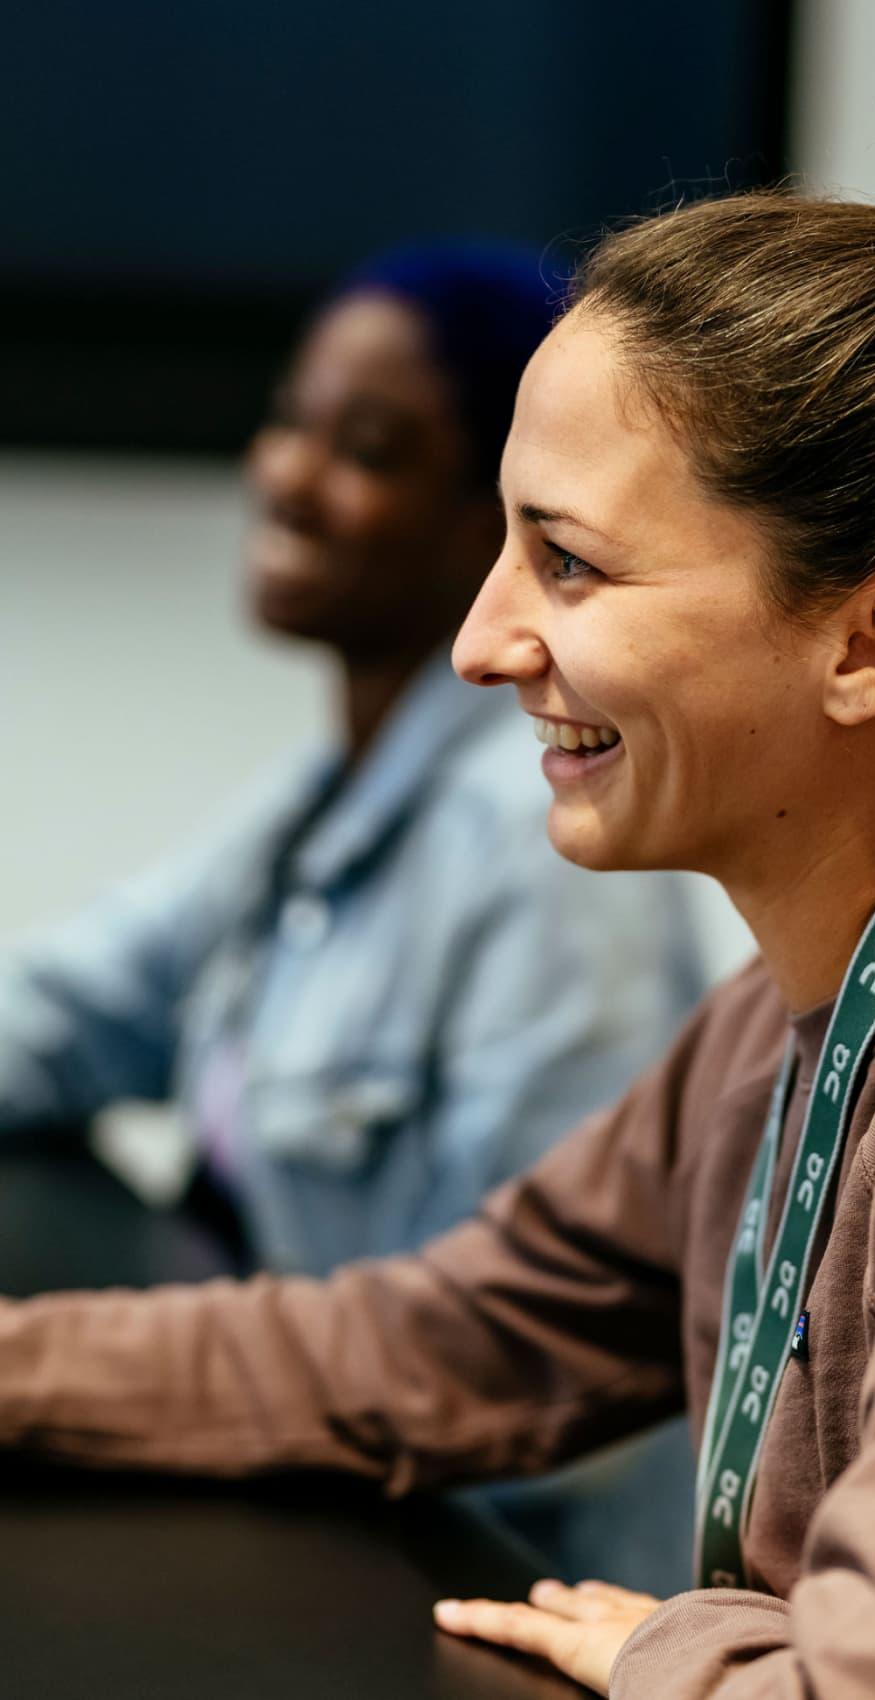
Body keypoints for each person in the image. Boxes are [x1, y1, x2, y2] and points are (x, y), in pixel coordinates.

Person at [2, 72, 875, 1698]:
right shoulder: (783, 1020)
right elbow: (420, 1350)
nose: (480, 645)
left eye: (571, 562)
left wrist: (682, 1643)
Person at [0, 244, 708, 1590]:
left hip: (463, 1573)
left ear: (491, 514)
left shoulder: (533, 844)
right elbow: (67, 1012)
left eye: (368, 449)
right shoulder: (321, 801)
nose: (287, 474)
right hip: (311, 1479)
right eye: (290, 422)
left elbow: (515, 1372)